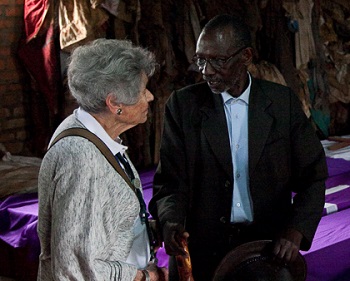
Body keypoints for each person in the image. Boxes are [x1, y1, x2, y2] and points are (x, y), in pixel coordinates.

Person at [149, 14, 328, 281]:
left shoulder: (281, 103)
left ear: (246, 56)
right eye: (201, 59)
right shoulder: (183, 106)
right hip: (201, 251)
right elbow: (169, 183)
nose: (206, 70)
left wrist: (295, 231)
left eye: (218, 60)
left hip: (267, 249)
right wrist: (171, 221)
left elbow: (313, 176)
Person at [37, 38, 168, 281]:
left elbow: (103, 227)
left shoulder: (93, 133)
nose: (149, 97)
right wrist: (146, 277)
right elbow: (77, 268)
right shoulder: (81, 159)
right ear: (114, 103)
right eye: (142, 91)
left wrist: (151, 231)